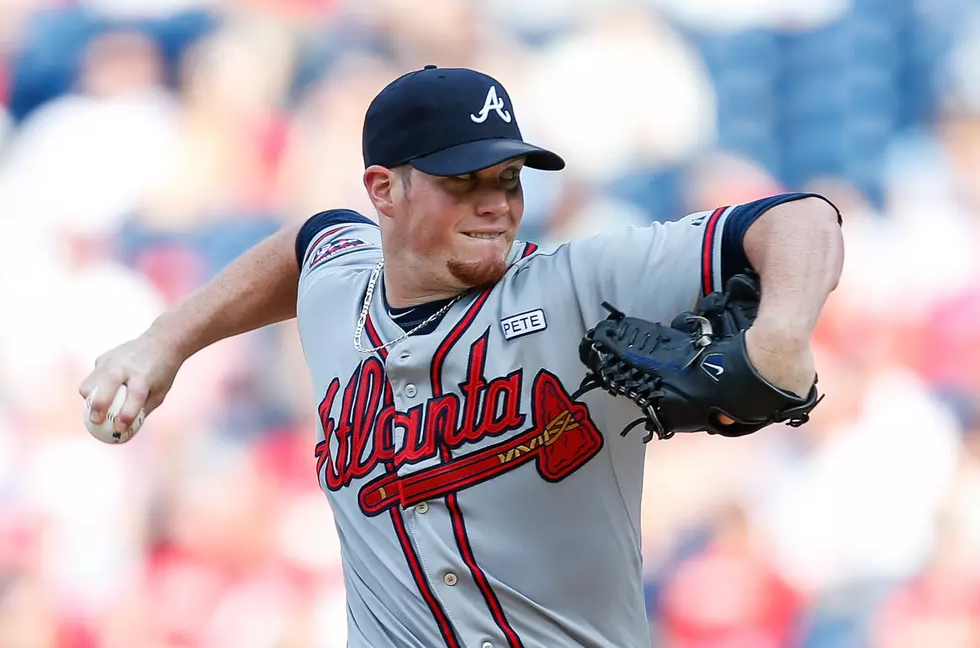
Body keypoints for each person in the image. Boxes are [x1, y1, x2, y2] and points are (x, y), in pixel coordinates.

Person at [79, 65, 845, 648]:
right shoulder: (340, 292)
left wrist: (779, 334)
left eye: (508, 180)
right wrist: (163, 342)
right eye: (465, 181)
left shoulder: (582, 282)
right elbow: (307, 242)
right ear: (385, 189)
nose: (498, 204)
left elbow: (800, 220)